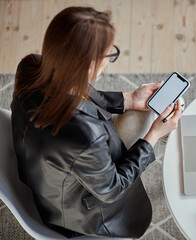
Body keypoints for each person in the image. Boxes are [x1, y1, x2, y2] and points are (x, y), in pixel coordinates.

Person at [10, 6, 182, 238]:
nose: (110, 57)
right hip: (75, 215)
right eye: (109, 53)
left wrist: (129, 99)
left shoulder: (30, 66)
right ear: (89, 65)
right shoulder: (86, 134)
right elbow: (111, 189)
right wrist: (153, 136)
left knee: (146, 112)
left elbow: (78, 93)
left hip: (41, 175)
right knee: (157, 118)